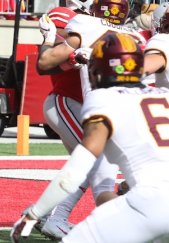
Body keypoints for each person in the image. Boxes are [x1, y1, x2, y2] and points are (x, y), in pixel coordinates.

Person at [11, 31, 169, 243]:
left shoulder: (105, 98)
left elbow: (76, 170)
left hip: (149, 204)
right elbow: (103, 192)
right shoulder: (163, 95)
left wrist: (34, 214)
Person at [35, 0, 148, 239]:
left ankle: (46, 214)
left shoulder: (85, 23)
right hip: (125, 113)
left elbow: (45, 63)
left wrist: (49, 38)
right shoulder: (137, 37)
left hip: (102, 111)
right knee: (99, 165)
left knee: (99, 167)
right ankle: (55, 217)